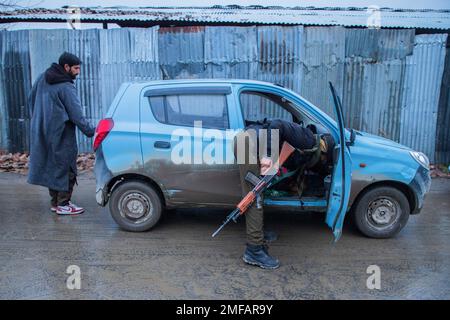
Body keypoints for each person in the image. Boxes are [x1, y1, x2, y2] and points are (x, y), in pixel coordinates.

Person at [234, 118, 316, 269]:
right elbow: (276, 124)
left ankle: (258, 236)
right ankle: (254, 250)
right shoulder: (307, 139)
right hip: (248, 144)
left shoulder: (303, 137)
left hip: (251, 142)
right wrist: (268, 157)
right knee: (254, 196)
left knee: (258, 192)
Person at [27, 52, 95, 215]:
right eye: (76, 68)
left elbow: (31, 99)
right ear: (66, 67)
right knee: (67, 167)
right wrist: (91, 131)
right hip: (61, 133)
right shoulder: (66, 86)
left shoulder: (43, 77)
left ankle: (55, 202)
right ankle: (64, 204)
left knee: (52, 165)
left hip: (42, 131)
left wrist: (38, 119)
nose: (78, 72)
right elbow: (76, 114)